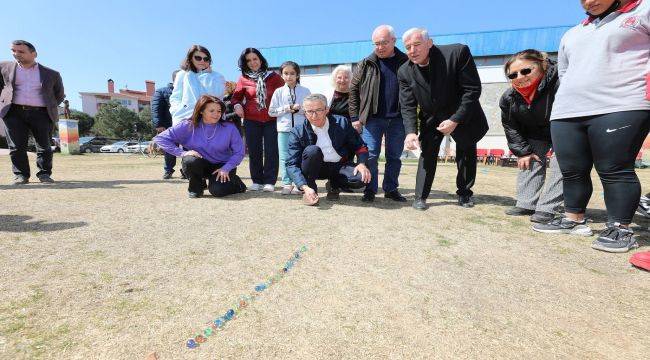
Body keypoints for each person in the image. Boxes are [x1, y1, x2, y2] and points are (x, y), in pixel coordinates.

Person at [533, 0, 650, 253]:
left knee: (614, 168)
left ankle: (621, 228)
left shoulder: (644, 11)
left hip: (622, 103)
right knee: (572, 170)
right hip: (568, 110)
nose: (589, 2)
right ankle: (573, 219)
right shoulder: (574, 32)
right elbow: (564, 72)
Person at [398, 28, 489, 210]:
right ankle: (420, 196)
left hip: (461, 114)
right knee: (427, 153)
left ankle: (464, 193)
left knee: (466, 152)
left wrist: (456, 119)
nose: (412, 51)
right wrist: (410, 132)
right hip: (431, 116)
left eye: (416, 45)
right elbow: (407, 104)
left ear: (429, 43)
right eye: (408, 47)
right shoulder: (404, 71)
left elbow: (472, 89)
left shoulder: (457, 53)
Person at [500, 50, 563, 224]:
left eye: (526, 70)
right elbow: (511, 126)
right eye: (513, 74)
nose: (520, 76)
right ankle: (526, 203)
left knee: (562, 163)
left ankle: (548, 208)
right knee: (529, 158)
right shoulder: (508, 98)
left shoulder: (561, 81)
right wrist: (522, 152)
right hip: (536, 132)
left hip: (564, 129)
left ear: (541, 66)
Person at [349, 25, 409, 203]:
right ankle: (370, 189)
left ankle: (391, 189)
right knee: (371, 155)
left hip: (398, 119)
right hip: (372, 118)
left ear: (393, 41)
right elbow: (353, 90)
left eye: (383, 43)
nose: (380, 47)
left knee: (394, 156)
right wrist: (354, 117)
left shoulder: (406, 61)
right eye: (376, 43)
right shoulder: (366, 63)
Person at [153, 95, 246, 198]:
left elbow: (239, 152)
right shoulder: (188, 125)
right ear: (201, 111)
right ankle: (196, 188)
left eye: (219, 111)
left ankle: (237, 184)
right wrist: (182, 153)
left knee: (217, 191)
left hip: (223, 166)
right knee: (189, 160)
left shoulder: (229, 128)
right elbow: (160, 138)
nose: (216, 114)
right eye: (212, 111)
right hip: (200, 164)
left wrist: (226, 168)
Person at [286, 94, 371, 206]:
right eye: (310, 111)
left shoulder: (342, 123)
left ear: (327, 110)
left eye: (319, 110)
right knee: (312, 151)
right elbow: (291, 164)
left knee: (361, 178)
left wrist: (362, 164)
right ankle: (310, 190)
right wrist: (304, 187)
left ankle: (334, 185)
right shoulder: (297, 131)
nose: (314, 115)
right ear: (304, 113)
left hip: (339, 165)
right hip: (314, 168)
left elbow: (360, 146)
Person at [0, 40, 65, 184]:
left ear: (34, 54)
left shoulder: (52, 74)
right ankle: (21, 175)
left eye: (21, 51)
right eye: (13, 51)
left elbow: (59, 95)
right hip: (13, 112)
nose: (16, 54)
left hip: (42, 113)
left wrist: (48, 107)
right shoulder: (3, 67)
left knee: (44, 146)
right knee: (16, 147)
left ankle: (44, 174)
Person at [231, 48, 285, 192]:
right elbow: (236, 97)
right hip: (251, 119)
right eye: (248, 60)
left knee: (271, 150)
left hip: (271, 119)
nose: (252, 62)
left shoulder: (274, 77)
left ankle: (269, 181)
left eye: (255, 59)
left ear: (260, 59)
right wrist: (237, 105)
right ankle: (256, 181)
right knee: (254, 151)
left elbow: (284, 94)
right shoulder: (243, 78)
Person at [268, 61, 311, 195]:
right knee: (284, 157)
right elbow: (271, 112)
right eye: (286, 73)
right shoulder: (278, 92)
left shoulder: (305, 91)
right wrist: (287, 108)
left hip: (300, 129)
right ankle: (287, 183)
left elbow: (310, 110)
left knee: (300, 156)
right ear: (281, 75)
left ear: (297, 74)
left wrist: (300, 109)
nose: (289, 76)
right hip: (284, 129)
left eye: (292, 73)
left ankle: (300, 184)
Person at [169, 45, 225, 125]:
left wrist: (205, 75)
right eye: (198, 58)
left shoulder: (217, 76)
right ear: (191, 58)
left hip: (210, 120)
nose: (202, 61)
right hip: (185, 118)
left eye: (206, 59)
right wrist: (176, 111)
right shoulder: (182, 74)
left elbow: (217, 96)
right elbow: (175, 97)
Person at [151, 70, 179, 179]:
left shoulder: (188, 91)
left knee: (188, 148)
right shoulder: (162, 92)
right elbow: (156, 109)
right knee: (169, 149)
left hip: (185, 126)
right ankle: (168, 170)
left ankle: (185, 170)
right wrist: (158, 124)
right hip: (168, 125)